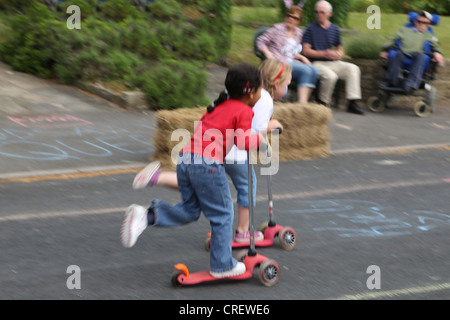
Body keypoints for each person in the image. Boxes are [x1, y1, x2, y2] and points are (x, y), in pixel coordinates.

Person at [121, 63, 269, 278]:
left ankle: (146, 216)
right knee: (223, 215)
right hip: (207, 165)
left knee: (191, 210)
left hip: (186, 159)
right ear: (250, 92)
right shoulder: (244, 110)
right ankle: (222, 265)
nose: (261, 93)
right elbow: (244, 142)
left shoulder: (218, 105)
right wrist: (260, 138)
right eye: (260, 89)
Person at [131, 59, 293, 244]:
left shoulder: (237, 92)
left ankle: (156, 177)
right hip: (235, 153)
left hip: (216, 150)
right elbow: (252, 129)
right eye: (287, 83)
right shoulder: (263, 98)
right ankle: (242, 231)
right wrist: (270, 126)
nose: (287, 88)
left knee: (200, 183)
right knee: (248, 187)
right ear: (276, 83)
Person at [302, 0, 365, 115]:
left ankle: (352, 103)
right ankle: (323, 103)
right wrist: (324, 53)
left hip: (333, 62)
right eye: (317, 12)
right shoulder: (310, 28)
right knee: (331, 76)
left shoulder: (334, 29)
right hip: (316, 63)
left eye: (322, 12)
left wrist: (339, 54)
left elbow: (340, 48)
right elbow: (305, 51)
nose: (319, 14)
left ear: (329, 14)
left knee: (353, 68)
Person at [256, 6, 318, 103]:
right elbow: (260, 41)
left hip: (292, 62)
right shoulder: (277, 29)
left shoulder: (298, 33)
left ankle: (303, 100)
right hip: (279, 63)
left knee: (314, 70)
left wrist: (302, 57)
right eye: (289, 16)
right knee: (307, 71)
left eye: (295, 18)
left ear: (299, 21)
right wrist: (267, 52)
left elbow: (293, 51)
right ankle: (302, 103)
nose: (290, 19)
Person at [380, 10, 445, 93]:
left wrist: (437, 53)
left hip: (417, 54)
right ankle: (390, 81)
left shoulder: (428, 34)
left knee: (421, 56)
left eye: (425, 23)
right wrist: (386, 49)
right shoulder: (404, 30)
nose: (421, 24)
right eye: (419, 21)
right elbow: (392, 40)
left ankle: (410, 84)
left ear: (428, 24)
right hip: (403, 52)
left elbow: (435, 44)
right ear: (415, 21)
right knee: (398, 55)